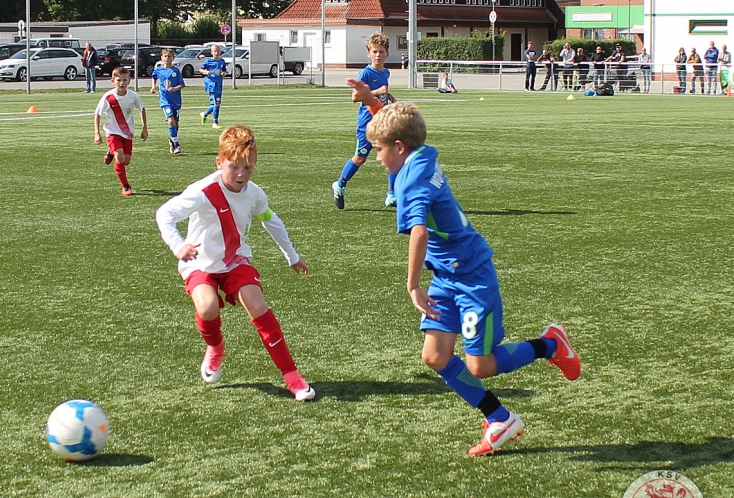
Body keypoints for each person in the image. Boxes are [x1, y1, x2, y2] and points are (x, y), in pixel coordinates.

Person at [346, 78, 581, 456]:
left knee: (480, 366)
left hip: (472, 278)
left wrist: (412, 285)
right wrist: (374, 103)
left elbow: (419, 232)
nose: (376, 158)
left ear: (398, 148)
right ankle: (499, 417)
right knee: (435, 357)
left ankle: (551, 344)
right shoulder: (419, 154)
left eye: (378, 150)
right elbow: (395, 131)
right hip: (447, 276)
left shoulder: (411, 183)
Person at [155, 124, 315, 402]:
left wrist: (292, 255)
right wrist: (179, 246)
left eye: (248, 167)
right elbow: (164, 214)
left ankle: (292, 376)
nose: (241, 174)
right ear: (219, 163)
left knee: (257, 304)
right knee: (207, 307)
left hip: (235, 261)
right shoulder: (203, 191)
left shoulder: (255, 194)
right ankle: (215, 346)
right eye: (234, 167)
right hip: (200, 263)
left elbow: (271, 222)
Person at [332, 32, 392, 210]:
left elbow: (383, 92)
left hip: (382, 122)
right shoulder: (365, 73)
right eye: (374, 51)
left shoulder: (386, 72)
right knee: (360, 158)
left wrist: (389, 97)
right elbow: (355, 97)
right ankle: (340, 185)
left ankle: (392, 194)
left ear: (387, 54)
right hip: (366, 124)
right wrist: (378, 92)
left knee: (392, 155)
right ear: (369, 53)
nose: (378, 55)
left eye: (381, 51)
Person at [94, 67, 147, 197]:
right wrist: (97, 133)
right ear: (113, 81)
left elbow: (141, 109)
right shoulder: (108, 97)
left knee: (126, 161)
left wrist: (144, 128)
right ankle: (125, 186)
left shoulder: (133, 96)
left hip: (127, 133)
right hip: (112, 132)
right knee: (120, 158)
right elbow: (98, 114)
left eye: (124, 80)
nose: (121, 83)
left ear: (129, 81)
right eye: (119, 80)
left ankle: (111, 152)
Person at [149, 48, 186, 154]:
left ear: (173, 58)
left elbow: (182, 84)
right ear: (161, 58)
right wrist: (153, 87)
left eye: (169, 56)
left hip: (176, 100)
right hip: (164, 100)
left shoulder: (175, 71)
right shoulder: (158, 70)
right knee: (170, 120)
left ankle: (172, 139)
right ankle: (176, 144)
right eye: (165, 56)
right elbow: (154, 77)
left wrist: (174, 88)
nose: (167, 58)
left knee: (175, 123)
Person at [199, 44, 228, 129]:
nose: (216, 53)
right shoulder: (208, 61)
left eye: (218, 51)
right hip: (211, 84)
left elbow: (224, 71)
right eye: (215, 51)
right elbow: (201, 69)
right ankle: (215, 122)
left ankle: (204, 114)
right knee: (217, 103)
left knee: (215, 104)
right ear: (211, 52)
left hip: (219, 84)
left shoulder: (222, 61)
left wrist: (224, 73)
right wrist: (206, 72)